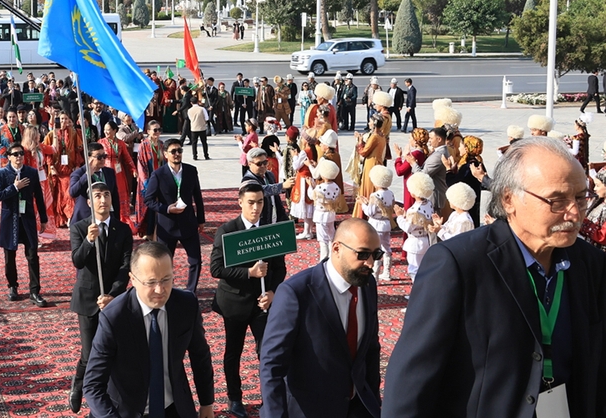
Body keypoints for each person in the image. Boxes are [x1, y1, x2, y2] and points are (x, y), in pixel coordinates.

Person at [383, 137, 606, 418]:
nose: (574, 213)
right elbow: (411, 382)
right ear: (509, 199)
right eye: (557, 200)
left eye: (580, 197)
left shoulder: (591, 264)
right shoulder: (459, 264)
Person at [259, 218, 382, 418]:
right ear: (336, 248)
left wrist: (373, 402)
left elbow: (370, 349)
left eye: (376, 254)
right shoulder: (295, 293)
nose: (370, 263)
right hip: (309, 411)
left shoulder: (368, 285)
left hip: (358, 408)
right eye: (362, 254)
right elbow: (272, 365)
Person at [83, 241, 215, 418]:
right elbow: (93, 385)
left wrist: (207, 402)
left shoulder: (186, 304)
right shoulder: (114, 317)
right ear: (133, 279)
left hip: (174, 407)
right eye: (151, 282)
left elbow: (200, 356)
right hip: (125, 412)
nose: (160, 290)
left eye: (166, 279)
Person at [211, 182, 287, 418]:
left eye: (260, 202)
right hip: (233, 303)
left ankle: (269, 398)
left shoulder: (269, 230)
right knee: (233, 352)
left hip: (262, 304)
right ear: (240, 202)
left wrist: (273, 292)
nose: (256, 208)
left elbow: (280, 268)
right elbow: (216, 268)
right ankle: (235, 399)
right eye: (251, 202)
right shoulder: (227, 230)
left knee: (267, 352)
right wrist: (249, 273)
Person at [67, 182, 133, 414]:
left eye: (106, 195)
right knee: (90, 353)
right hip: (87, 300)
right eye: (97, 196)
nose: (103, 200)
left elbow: (125, 267)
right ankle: (78, 386)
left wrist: (113, 295)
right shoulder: (79, 228)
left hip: (113, 300)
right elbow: (77, 261)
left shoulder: (123, 230)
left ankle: (108, 398)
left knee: (114, 351)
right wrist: (89, 241)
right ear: (89, 202)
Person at [144, 139, 206, 295]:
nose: (177, 154)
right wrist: (167, 209)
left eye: (179, 150)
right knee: (164, 263)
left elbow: (197, 197)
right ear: (165, 154)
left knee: (195, 261)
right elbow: (149, 200)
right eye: (173, 151)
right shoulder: (158, 175)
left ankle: (191, 291)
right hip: (167, 226)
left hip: (188, 223)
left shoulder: (191, 170)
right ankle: (166, 290)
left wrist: (201, 220)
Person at [0, 142, 49, 307]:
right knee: (10, 256)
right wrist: (14, 188)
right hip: (10, 220)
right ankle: (12, 286)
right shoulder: (2, 174)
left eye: (21, 154)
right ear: (8, 157)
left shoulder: (31, 172)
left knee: (32, 255)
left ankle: (34, 291)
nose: (19, 157)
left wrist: (43, 219)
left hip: (28, 219)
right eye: (15, 154)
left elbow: (39, 195)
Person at [361, 165, 396, 281]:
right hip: (386, 223)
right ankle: (387, 272)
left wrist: (363, 204)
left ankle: (375, 276)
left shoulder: (375, 195)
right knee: (386, 248)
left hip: (376, 224)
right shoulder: (390, 193)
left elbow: (370, 212)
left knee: (376, 250)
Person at [186, 96, 210, 161]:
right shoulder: (202, 109)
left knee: (194, 143)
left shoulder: (189, 110)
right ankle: (206, 155)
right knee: (204, 142)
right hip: (202, 128)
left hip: (194, 128)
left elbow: (190, 118)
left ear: (191, 103)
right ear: (197, 102)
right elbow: (207, 118)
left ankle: (195, 156)